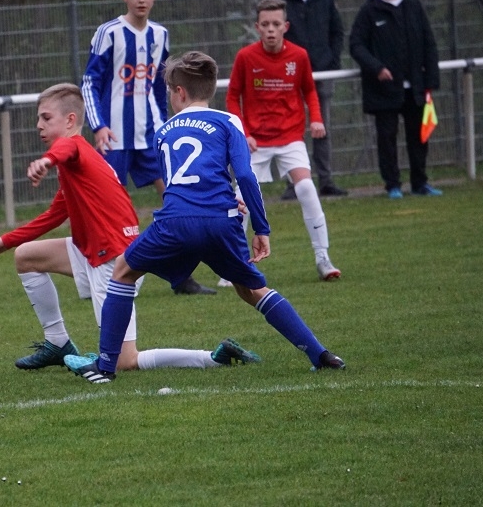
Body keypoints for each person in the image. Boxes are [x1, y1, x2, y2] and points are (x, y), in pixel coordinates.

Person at [64, 51, 346, 383]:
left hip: (175, 222)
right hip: (221, 222)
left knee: (123, 271)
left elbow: (180, 183)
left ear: (179, 92)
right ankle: (320, 354)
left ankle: (105, 367)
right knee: (252, 289)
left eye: (170, 92)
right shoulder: (228, 121)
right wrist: (260, 227)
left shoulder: (163, 131)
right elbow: (244, 175)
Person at [0, 83, 260, 373]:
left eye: (46, 118)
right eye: (39, 118)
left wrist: (46, 161)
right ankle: (57, 343)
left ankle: (212, 358)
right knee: (26, 257)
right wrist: (5, 241)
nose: (39, 125)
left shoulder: (74, 147)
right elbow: (54, 215)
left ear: (71, 120)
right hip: (95, 249)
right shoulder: (78, 161)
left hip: (113, 260)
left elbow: (64, 148)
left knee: (125, 360)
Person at [81, 0, 216, 296]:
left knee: (178, 200)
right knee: (106, 209)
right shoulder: (109, 32)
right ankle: (97, 275)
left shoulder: (160, 35)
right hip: (114, 137)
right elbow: (89, 82)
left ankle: (181, 276)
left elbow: (161, 85)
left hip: (152, 135)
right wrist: (99, 126)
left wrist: (170, 123)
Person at [226, 0, 341, 281]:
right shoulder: (246, 57)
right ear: (257, 27)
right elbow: (232, 97)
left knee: (307, 188)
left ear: (285, 26)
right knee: (240, 198)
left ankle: (323, 258)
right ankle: (234, 265)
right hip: (256, 141)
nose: (271, 29)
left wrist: (316, 118)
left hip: (290, 138)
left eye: (276, 24)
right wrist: (244, 134)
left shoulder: (299, 56)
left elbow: (309, 90)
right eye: (265, 24)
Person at [349, 0, 442, 199]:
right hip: (383, 89)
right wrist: (377, 68)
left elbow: (429, 43)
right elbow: (356, 45)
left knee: (418, 137)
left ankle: (420, 183)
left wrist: (430, 80)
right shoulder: (369, 11)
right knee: (387, 139)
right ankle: (393, 185)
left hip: (415, 88)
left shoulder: (413, 5)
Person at [276, 0, 348, 200]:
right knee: (290, 131)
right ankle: (294, 184)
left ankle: (326, 180)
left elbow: (337, 31)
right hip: (290, 76)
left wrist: (332, 61)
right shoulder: (280, 2)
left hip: (322, 72)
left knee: (322, 127)